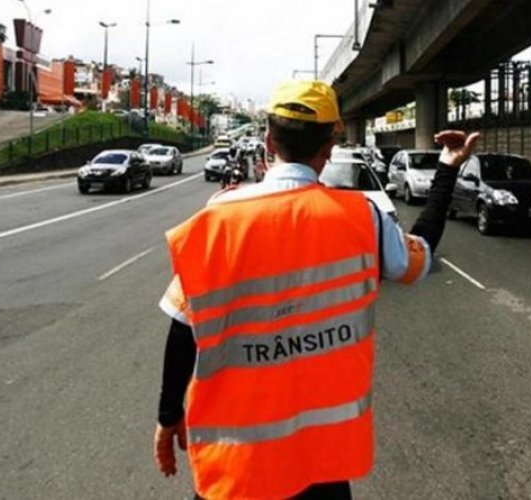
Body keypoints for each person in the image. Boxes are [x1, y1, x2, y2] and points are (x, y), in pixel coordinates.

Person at [153, 79, 480, 499]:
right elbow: (422, 251)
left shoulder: (217, 219)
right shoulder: (364, 219)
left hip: (235, 472)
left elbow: (182, 329)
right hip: (321, 468)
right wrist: (448, 167)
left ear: (269, 140)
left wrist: (167, 416)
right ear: (329, 146)